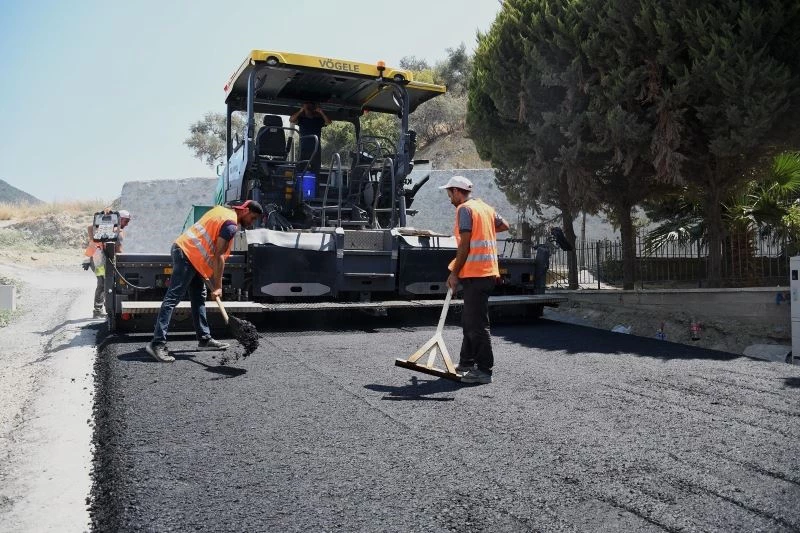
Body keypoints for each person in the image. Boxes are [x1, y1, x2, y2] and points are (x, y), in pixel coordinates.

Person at [145, 200, 264, 363]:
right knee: (173, 298)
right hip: (187, 255)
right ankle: (157, 343)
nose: (252, 222)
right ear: (245, 211)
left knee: (198, 297)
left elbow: (206, 243)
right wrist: (217, 286)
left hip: (192, 256)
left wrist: (207, 276)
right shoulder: (230, 225)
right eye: (253, 217)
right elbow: (219, 255)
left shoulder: (221, 211)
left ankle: (204, 339)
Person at [441, 176, 509, 385]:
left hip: (476, 273)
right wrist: (486, 227)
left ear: (457, 191)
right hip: (486, 272)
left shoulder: (464, 209)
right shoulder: (485, 208)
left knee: (477, 324)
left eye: (449, 193)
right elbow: (505, 225)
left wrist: (454, 273)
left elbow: (465, 246)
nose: (449, 198)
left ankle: (484, 371)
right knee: (469, 320)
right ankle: (466, 362)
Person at [84, 208, 131, 319]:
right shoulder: (111, 227)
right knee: (103, 283)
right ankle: (97, 310)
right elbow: (90, 227)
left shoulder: (118, 229)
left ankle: (105, 307)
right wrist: (93, 240)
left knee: (108, 282)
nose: (127, 224)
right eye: (126, 221)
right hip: (98, 259)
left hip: (103, 258)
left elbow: (118, 248)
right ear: (121, 218)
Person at [289, 101, 331, 175]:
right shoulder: (301, 119)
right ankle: (300, 184)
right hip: (304, 148)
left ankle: (315, 184)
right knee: (301, 169)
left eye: (310, 107)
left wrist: (321, 112)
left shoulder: (318, 120)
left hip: (316, 149)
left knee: (316, 170)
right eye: (307, 107)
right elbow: (291, 120)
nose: (308, 109)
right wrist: (301, 110)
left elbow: (328, 122)